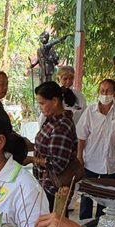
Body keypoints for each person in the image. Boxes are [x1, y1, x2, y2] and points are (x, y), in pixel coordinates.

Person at [76, 79, 115, 219]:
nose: (105, 94)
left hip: (111, 163)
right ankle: (85, 225)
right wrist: (79, 157)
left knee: (106, 198)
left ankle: (101, 226)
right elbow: (81, 136)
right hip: (91, 161)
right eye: (102, 91)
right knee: (87, 196)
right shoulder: (90, 112)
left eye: (108, 91)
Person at [27, 81, 78, 211]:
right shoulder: (51, 120)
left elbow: (58, 164)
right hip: (44, 185)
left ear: (55, 101)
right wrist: (33, 146)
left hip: (53, 189)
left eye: (42, 103)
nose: (40, 108)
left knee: (52, 226)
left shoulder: (61, 127)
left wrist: (32, 160)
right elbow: (50, 148)